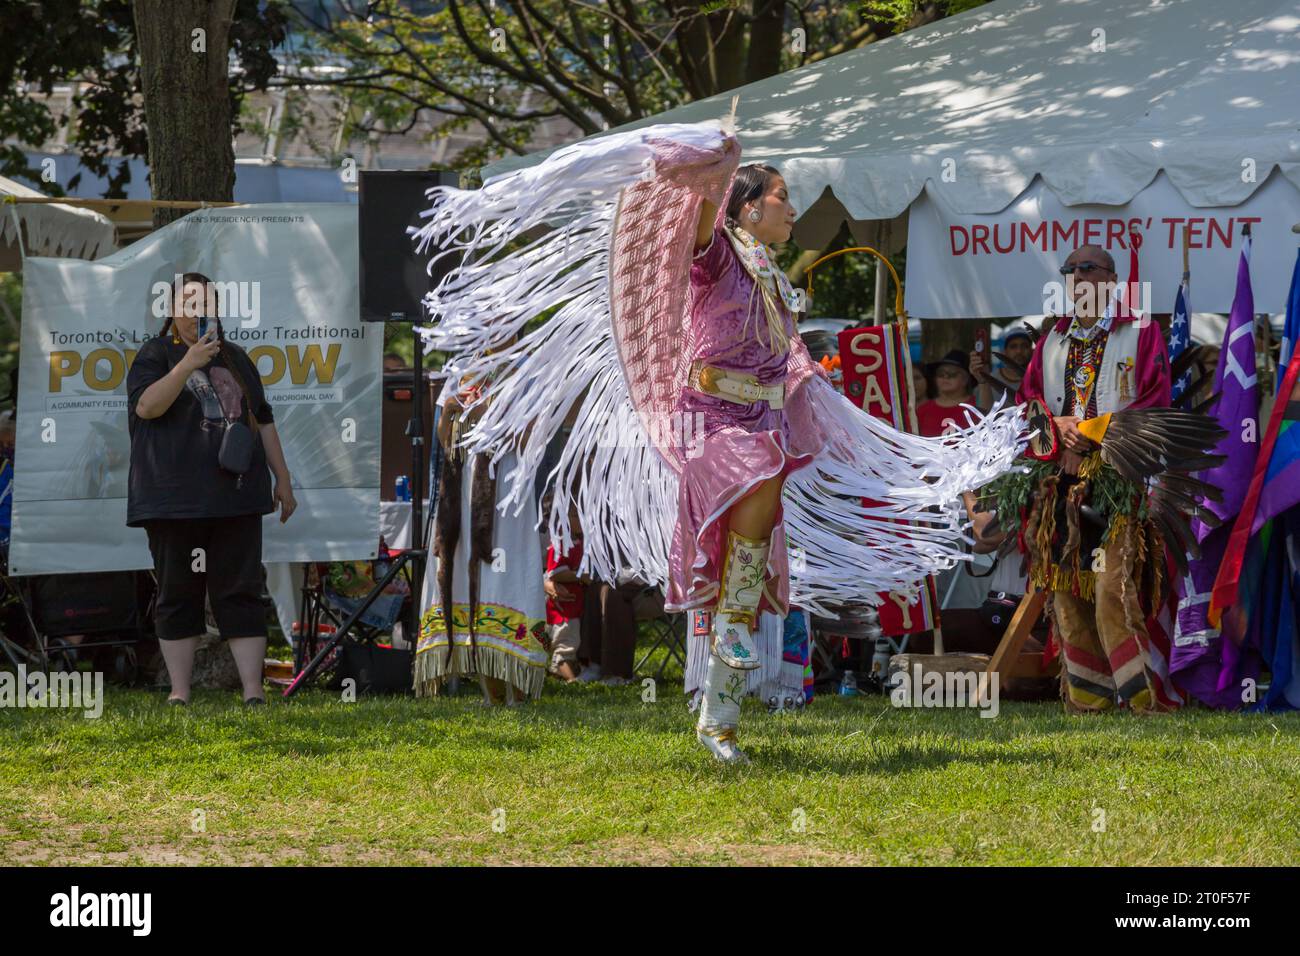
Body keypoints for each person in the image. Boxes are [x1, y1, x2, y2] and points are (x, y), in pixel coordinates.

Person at [413, 120, 1026, 763]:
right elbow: (697, 203)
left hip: (761, 425)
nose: (792, 208)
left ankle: (719, 716)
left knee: (746, 565)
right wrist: (722, 154)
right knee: (757, 486)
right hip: (708, 421)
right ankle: (722, 666)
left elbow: (785, 366)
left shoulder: (769, 276)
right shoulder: (715, 253)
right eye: (782, 196)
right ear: (748, 206)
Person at [1011, 244, 1176, 712]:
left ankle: (1142, 699)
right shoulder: (1053, 340)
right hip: (1059, 485)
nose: (1077, 276)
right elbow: (1028, 403)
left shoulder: (1140, 334)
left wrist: (1089, 433)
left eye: (1088, 268)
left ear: (1112, 277)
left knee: (1110, 587)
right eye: (1070, 270)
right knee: (1065, 588)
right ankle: (1089, 699)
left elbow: (1153, 401)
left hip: (1118, 481)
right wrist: (1056, 429)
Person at [127, 273, 297, 706]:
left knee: (239, 590)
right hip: (173, 499)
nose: (197, 311)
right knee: (177, 592)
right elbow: (147, 407)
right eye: (188, 302)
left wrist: (284, 478)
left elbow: (263, 418)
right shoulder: (156, 354)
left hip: (236, 497)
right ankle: (180, 693)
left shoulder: (237, 357)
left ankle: (253, 692)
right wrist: (188, 363)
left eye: (205, 302)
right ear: (172, 310)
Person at [419, 370, 549, 704]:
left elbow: (534, 439)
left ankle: (519, 692)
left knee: (509, 580)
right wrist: (450, 411)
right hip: (463, 493)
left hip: (507, 493)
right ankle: (491, 692)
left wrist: (494, 416)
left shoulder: (526, 369)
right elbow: (446, 442)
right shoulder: (459, 371)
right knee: (469, 580)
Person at [916, 349, 976, 436]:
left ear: (965, 379)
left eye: (952, 374)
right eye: (941, 373)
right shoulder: (922, 410)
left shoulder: (975, 405)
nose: (945, 377)